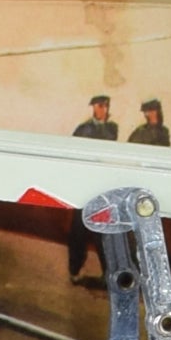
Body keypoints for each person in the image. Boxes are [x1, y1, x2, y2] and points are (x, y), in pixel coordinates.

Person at [65, 96, 117, 282]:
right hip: (84, 185)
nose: (103, 110)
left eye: (105, 106)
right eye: (99, 106)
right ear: (93, 108)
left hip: (102, 186)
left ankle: (108, 272)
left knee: (103, 231)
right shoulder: (84, 129)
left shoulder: (112, 129)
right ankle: (75, 270)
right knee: (78, 231)